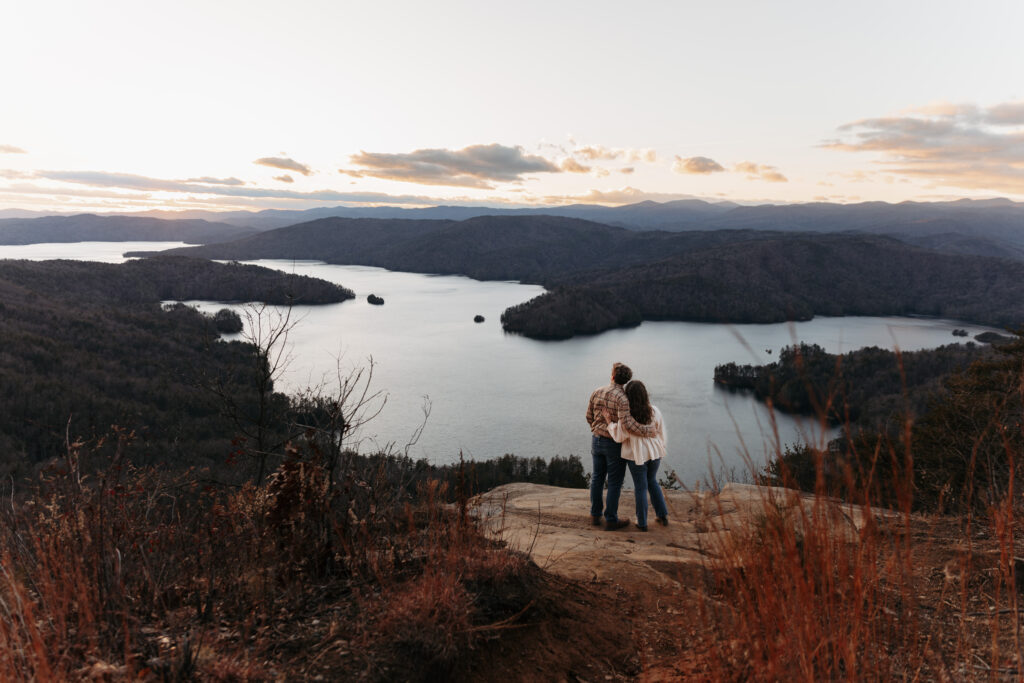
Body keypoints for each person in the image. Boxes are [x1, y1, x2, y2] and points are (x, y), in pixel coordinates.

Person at [586, 363, 660, 530]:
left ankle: (595, 515)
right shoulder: (622, 398)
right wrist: (648, 430)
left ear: (612, 376)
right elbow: (627, 425)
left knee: (597, 478)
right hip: (612, 444)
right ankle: (611, 519)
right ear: (626, 380)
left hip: (596, 440)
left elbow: (588, 415)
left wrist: (596, 429)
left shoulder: (597, 391)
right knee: (614, 482)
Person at [603, 380, 669, 531]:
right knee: (652, 481)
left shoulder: (626, 418)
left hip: (636, 456)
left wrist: (609, 422)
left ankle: (642, 523)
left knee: (640, 487)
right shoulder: (654, 411)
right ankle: (663, 515)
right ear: (645, 394)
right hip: (655, 453)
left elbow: (619, 437)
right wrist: (661, 448)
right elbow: (661, 432)